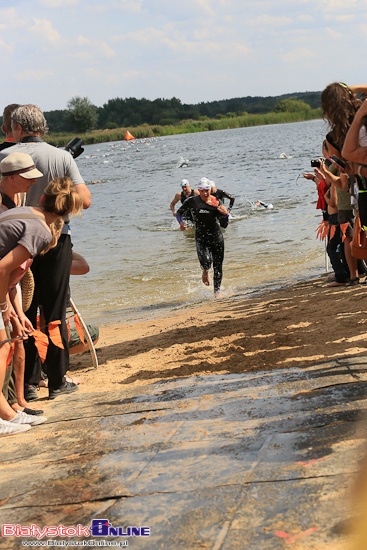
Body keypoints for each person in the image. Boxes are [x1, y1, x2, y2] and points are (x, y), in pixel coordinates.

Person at [0, 104, 91, 400]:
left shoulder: (4, 156)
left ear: (17, 129)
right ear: (43, 128)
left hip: (14, 238)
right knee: (54, 312)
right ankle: (57, 380)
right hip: (54, 237)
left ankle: (28, 382)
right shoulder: (61, 156)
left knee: (23, 309)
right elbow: (85, 200)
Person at [0, 176, 82, 436]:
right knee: (2, 349)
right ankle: (5, 416)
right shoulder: (41, 231)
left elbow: (10, 275)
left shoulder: (23, 211)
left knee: (5, 346)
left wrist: (14, 313)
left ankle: (8, 413)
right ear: (66, 214)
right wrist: (4, 308)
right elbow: (3, 268)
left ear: (43, 198)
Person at [0, 153, 44, 415]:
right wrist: (6, 306)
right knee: (6, 342)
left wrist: (16, 310)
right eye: (27, 179)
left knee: (17, 339)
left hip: (11, 279)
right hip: (3, 279)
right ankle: (8, 405)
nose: (32, 183)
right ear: (11, 178)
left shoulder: (21, 196)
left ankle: (17, 400)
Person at [176, 179, 229, 297]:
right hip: (201, 236)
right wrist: (181, 223)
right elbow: (179, 212)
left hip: (216, 236)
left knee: (218, 265)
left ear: (210, 190)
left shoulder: (217, 202)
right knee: (206, 262)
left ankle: (217, 292)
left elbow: (224, 225)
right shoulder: (192, 201)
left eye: (207, 190)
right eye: (202, 191)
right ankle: (205, 270)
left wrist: (225, 215)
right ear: (198, 191)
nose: (205, 193)